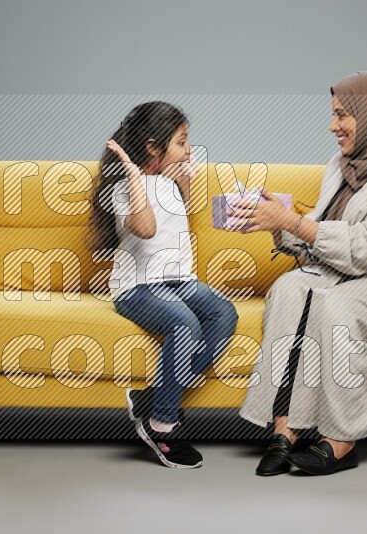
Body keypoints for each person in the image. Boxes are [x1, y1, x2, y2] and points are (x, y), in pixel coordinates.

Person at [230, 72, 367, 476]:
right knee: (290, 288)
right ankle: (285, 429)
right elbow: (321, 232)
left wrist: (294, 222)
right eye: (333, 115)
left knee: (338, 306)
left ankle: (342, 440)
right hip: (342, 273)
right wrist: (276, 223)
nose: (333, 126)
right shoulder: (341, 165)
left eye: (343, 115)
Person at [88, 101, 238, 469]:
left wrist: (183, 179)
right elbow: (147, 229)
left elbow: (176, 215)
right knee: (183, 323)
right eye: (182, 142)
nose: (189, 150)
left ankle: (153, 398)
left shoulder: (169, 183)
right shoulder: (125, 188)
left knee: (224, 313)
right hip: (137, 287)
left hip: (180, 280)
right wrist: (134, 174)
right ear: (154, 148)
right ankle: (162, 423)